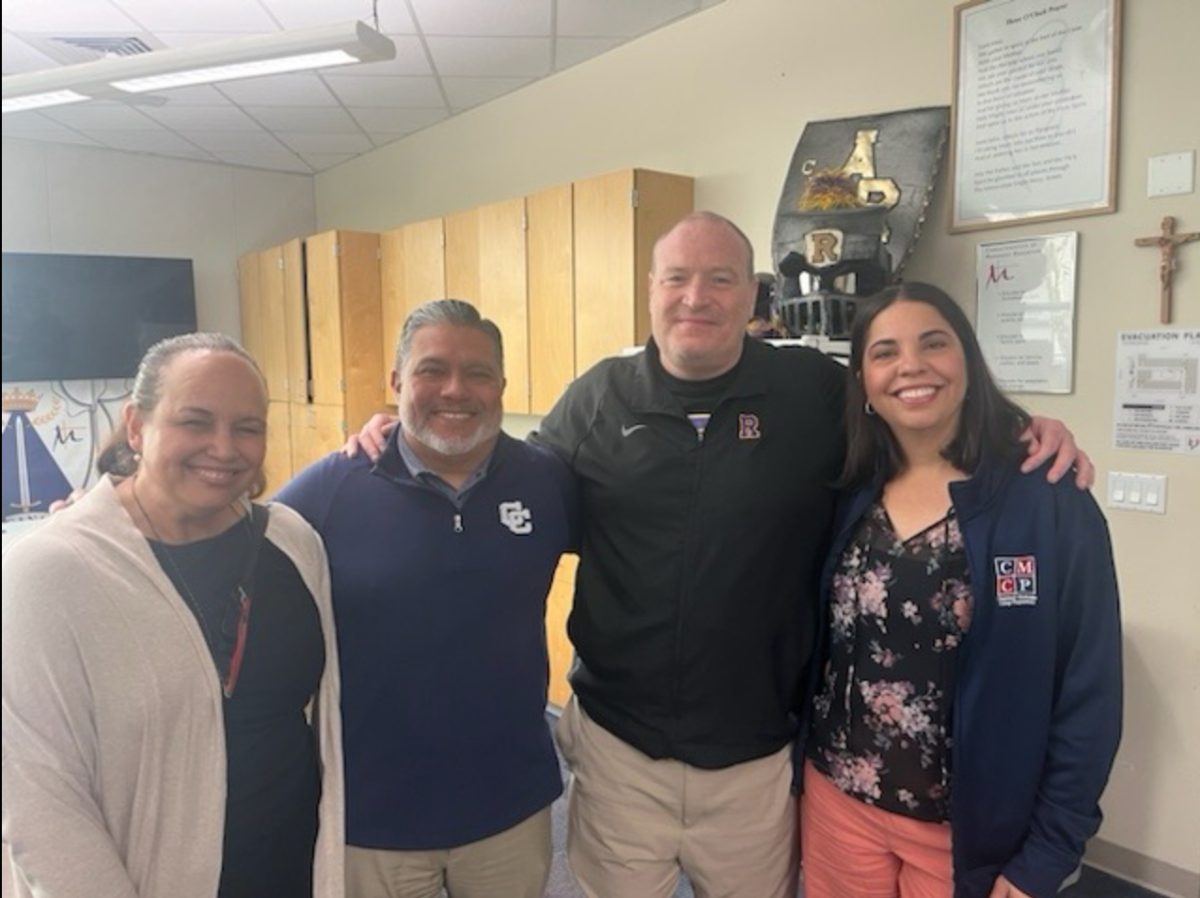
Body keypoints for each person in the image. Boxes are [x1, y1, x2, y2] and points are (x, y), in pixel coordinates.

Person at [350, 213, 1090, 898]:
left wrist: (1023, 429)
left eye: (720, 279)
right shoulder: (597, 400)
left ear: (751, 294)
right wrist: (401, 434)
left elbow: (911, 407)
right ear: (650, 292)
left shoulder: (813, 394)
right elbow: (501, 484)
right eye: (676, 278)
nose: (694, 297)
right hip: (620, 754)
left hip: (757, 761)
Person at [800, 282, 1121, 898]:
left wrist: (1050, 852)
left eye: (933, 344)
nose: (911, 366)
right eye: (885, 352)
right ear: (863, 381)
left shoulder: (1045, 498)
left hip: (966, 832)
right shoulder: (848, 490)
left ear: (967, 360)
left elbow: (1090, 689)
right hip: (838, 804)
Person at [1, 333, 345, 898]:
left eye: (247, 427)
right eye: (196, 421)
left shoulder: (292, 542)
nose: (224, 447)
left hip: (293, 871)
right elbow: (40, 802)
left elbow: (315, 724)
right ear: (136, 425)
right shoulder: (49, 573)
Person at [275, 300, 576, 898]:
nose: (455, 390)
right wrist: (118, 511)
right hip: (371, 817)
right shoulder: (329, 489)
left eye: (478, 373)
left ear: (502, 386)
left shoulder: (548, 480)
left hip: (508, 807)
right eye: (432, 370)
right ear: (396, 383)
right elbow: (225, 545)